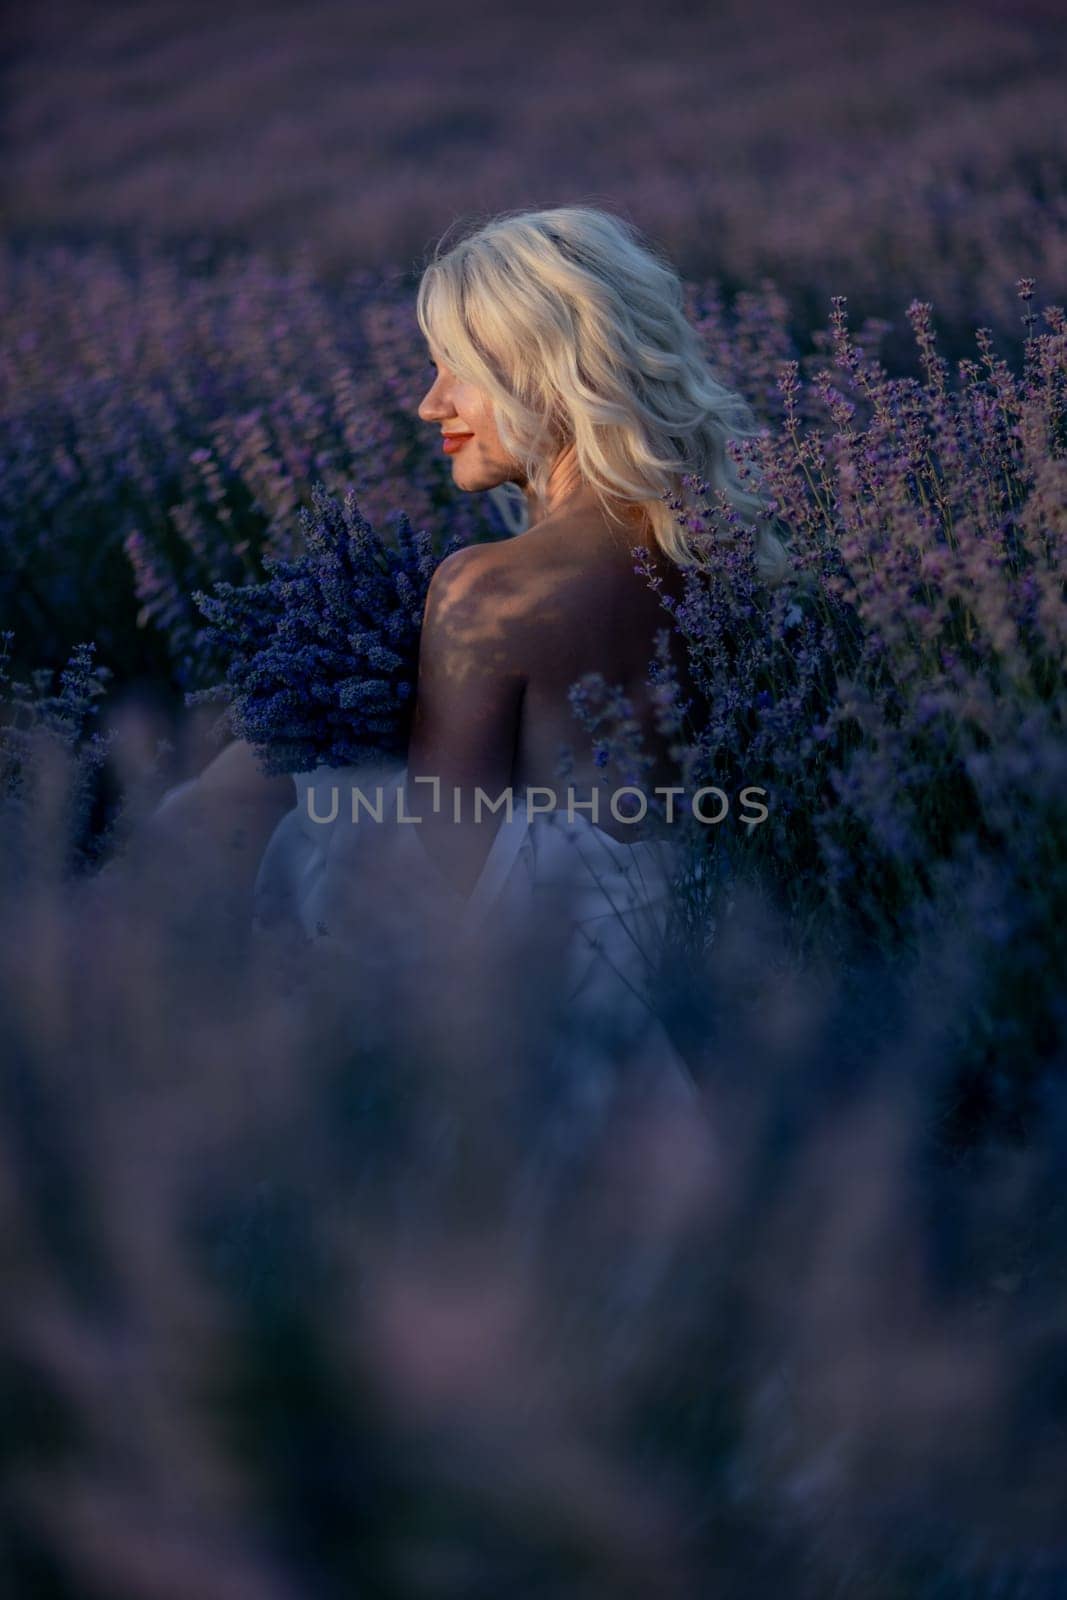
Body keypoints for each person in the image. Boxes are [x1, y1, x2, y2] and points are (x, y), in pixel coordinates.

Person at [157, 205, 793, 1105]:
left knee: (240, 780)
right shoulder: (723, 554)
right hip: (660, 950)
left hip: (528, 985)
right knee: (258, 763)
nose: (429, 403)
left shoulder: (490, 589)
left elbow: (438, 877)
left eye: (458, 369)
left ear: (545, 373)